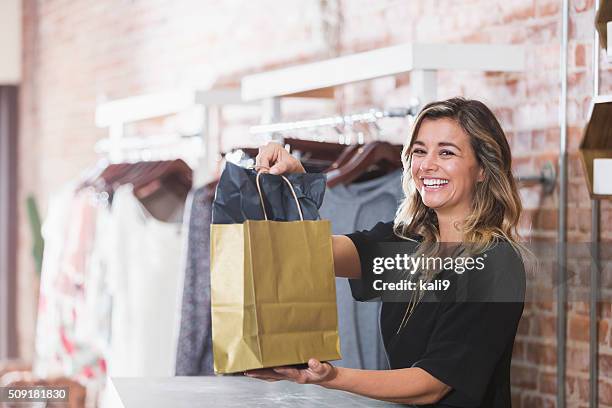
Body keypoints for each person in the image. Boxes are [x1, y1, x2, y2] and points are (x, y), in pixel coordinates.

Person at [246, 97, 527, 407]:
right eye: (420, 151)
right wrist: (293, 184)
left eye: (446, 152)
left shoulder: (495, 264)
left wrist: (330, 377)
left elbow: (431, 384)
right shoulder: (406, 244)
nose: (427, 164)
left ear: (483, 170)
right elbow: (312, 253)